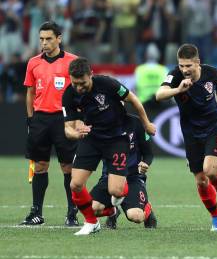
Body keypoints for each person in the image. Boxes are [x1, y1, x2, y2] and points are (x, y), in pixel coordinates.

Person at [63, 58, 156, 235]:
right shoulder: (69, 94)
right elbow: (68, 128)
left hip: (116, 139)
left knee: (116, 191)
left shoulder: (107, 83)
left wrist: (146, 124)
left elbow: (134, 100)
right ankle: (92, 222)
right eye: (75, 83)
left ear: (91, 75)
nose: (79, 88)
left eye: (82, 83)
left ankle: (127, 206)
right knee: (75, 184)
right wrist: (77, 133)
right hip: (91, 138)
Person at [156, 44, 217, 231]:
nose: (184, 70)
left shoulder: (212, 74)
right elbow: (159, 95)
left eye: (188, 66)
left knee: (211, 171)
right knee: (200, 179)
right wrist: (178, 90)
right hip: (191, 133)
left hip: (213, 128)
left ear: (197, 62)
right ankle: (215, 217)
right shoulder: (175, 75)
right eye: (181, 65)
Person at [21, 21, 79, 227]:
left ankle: (72, 212)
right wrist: (31, 119)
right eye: (41, 39)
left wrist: (77, 119)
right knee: (40, 166)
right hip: (40, 119)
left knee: (68, 167)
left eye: (48, 39)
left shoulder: (73, 62)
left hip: (64, 119)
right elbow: (30, 93)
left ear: (59, 39)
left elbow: (81, 92)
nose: (44, 43)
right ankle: (36, 212)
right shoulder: (33, 63)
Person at [90, 115, 157, 229]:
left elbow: (148, 153)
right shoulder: (99, 124)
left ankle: (148, 211)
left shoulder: (136, 123)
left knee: (135, 216)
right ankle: (113, 211)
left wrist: (145, 163)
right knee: (92, 209)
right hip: (109, 178)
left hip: (132, 178)